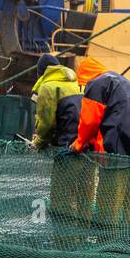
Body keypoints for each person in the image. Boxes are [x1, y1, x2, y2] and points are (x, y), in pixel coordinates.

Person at [71, 56, 130, 229]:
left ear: (85, 77)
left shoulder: (97, 85)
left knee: (109, 203)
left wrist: (79, 144)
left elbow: (89, 121)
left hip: (114, 154)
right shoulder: (127, 83)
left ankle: (107, 243)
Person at [30, 53, 96, 224]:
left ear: (42, 72)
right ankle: (83, 237)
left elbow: (46, 122)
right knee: (84, 196)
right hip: (86, 147)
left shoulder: (48, 87)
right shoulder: (76, 83)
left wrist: (38, 142)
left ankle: (64, 240)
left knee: (62, 197)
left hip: (66, 150)